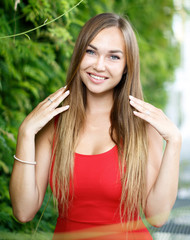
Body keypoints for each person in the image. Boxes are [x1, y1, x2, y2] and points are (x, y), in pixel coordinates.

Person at [9, 13, 182, 240]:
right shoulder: (54, 126)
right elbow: (23, 212)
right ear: (79, 55)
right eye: (91, 52)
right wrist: (25, 132)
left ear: (126, 67)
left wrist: (174, 142)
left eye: (114, 57)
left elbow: (157, 217)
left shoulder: (142, 127)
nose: (99, 66)